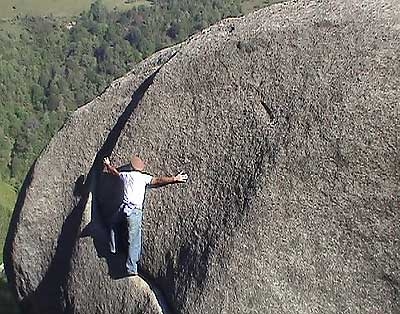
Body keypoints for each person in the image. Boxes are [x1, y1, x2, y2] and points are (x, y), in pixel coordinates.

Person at [103, 155, 188, 276]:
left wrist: (107, 164)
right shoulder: (143, 178)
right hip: (134, 212)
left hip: (124, 209)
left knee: (113, 222)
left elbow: (114, 172)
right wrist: (174, 178)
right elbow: (158, 180)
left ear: (131, 167)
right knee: (134, 240)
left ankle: (113, 248)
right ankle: (131, 268)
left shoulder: (126, 175)